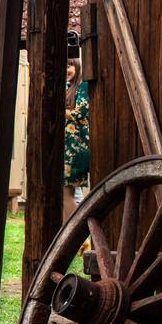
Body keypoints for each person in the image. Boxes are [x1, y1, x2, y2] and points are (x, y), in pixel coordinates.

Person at [64, 57, 90, 221]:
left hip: (76, 147)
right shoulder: (69, 88)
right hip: (67, 147)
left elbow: (79, 114)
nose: (67, 69)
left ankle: (76, 235)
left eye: (70, 65)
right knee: (70, 192)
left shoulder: (83, 86)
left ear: (78, 66)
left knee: (67, 192)